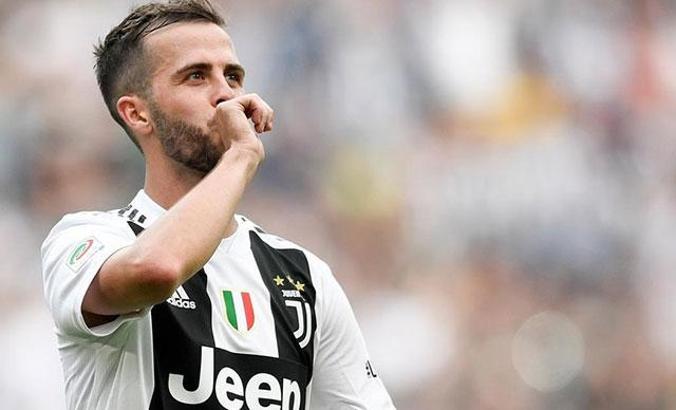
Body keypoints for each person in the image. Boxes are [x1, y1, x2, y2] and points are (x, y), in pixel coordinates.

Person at [40, 1, 395, 409]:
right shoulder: (89, 239)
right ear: (137, 113)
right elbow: (157, 270)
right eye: (196, 76)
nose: (226, 94)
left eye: (233, 76)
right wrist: (241, 156)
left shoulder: (304, 276)